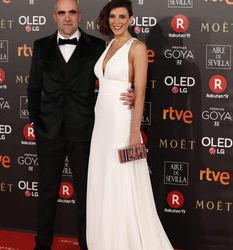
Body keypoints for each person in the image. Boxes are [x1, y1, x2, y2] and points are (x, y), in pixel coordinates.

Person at [27, 0, 133, 249]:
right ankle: (42, 245)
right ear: (54, 16)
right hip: (49, 131)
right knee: (46, 192)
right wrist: (37, 121)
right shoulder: (41, 46)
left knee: (87, 194)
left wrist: (133, 92)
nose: (67, 18)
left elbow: (115, 75)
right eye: (61, 13)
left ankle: (87, 243)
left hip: (85, 131)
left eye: (71, 12)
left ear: (79, 16)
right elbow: (33, 88)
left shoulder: (97, 46)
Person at [86, 0, 174, 249]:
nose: (117, 21)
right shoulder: (109, 45)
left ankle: (126, 241)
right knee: (104, 178)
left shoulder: (137, 47)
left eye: (122, 16)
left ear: (131, 20)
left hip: (123, 123)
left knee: (124, 178)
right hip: (102, 121)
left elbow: (141, 91)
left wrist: (135, 132)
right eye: (113, 16)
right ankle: (105, 239)